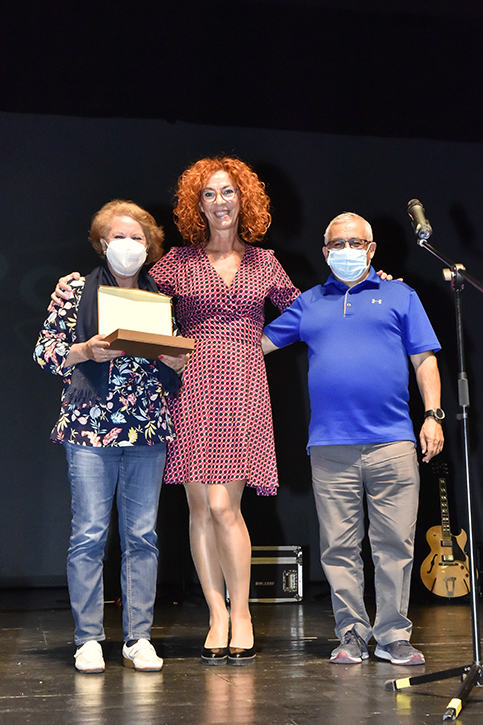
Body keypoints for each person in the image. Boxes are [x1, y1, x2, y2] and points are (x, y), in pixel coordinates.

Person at [51, 157, 301, 665]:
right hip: (187, 386)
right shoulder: (176, 265)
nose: (219, 202)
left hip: (243, 387)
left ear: (244, 198)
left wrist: (258, 345)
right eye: (208, 194)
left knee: (226, 506)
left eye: (227, 192)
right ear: (196, 205)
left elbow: (303, 311)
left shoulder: (265, 262)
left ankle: (242, 614)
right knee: (198, 508)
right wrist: (67, 289)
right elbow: (127, 288)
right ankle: (214, 613)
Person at [262, 211, 444, 666]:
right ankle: (351, 634)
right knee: (339, 547)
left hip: (393, 442)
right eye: (337, 245)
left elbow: (424, 360)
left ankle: (393, 635)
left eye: (355, 243)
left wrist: (433, 415)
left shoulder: (401, 294)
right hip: (330, 446)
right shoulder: (308, 303)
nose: (346, 251)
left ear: (372, 249)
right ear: (325, 252)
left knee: (395, 545)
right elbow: (257, 344)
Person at [34, 200, 186, 673]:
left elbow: (173, 354)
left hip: (147, 431)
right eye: (118, 237)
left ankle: (137, 637)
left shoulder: (158, 295)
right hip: (89, 428)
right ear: (102, 243)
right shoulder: (77, 290)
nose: (128, 245)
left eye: (137, 238)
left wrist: (178, 361)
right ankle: (88, 639)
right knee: (89, 535)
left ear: (149, 246)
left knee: (142, 536)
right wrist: (86, 350)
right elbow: (45, 352)